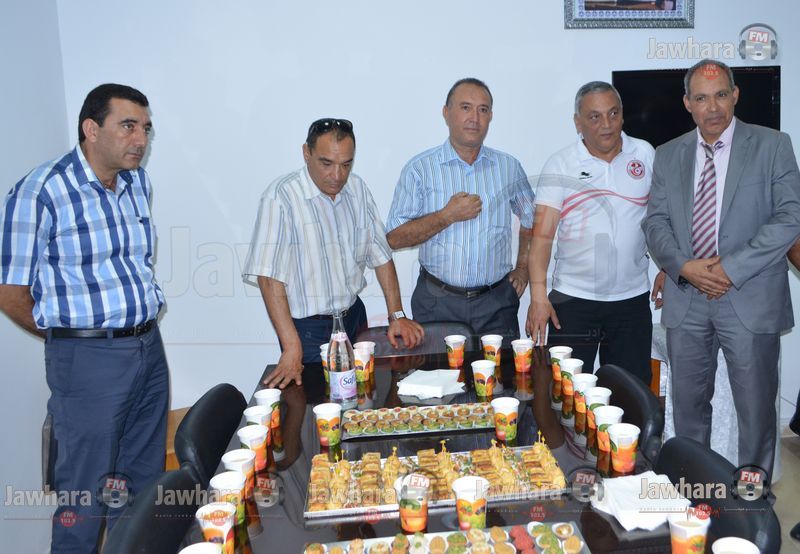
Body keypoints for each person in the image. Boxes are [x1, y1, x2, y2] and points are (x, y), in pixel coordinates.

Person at [0, 84, 169, 553]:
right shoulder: (42, 190)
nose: (140, 139)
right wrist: (68, 336)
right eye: (128, 126)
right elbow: (10, 292)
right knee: (85, 496)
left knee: (141, 486)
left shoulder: (137, 183)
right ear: (91, 129)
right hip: (88, 360)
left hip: (147, 348)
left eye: (146, 128)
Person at [643, 59, 800, 477]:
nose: (712, 107)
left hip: (749, 296)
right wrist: (684, 267)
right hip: (687, 299)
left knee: (756, 411)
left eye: (720, 95)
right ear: (687, 103)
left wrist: (729, 269)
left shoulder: (772, 145)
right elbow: (655, 223)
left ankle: (752, 502)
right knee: (688, 410)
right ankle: (697, 495)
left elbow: (790, 218)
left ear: (735, 95)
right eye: (701, 98)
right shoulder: (668, 154)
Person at [243, 118, 424, 389]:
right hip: (307, 331)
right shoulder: (281, 197)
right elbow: (268, 278)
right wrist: (291, 345)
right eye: (326, 163)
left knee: (364, 395)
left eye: (346, 164)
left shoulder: (358, 189)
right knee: (318, 405)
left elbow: (381, 254)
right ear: (307, 153)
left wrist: (396, 315)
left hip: (354, 318)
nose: (337, 176)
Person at [385, 78, 535, 340]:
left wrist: (523, 267)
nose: (474, 118)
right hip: (436, 302)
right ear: (446, 113)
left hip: (496, 304)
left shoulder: (508, 167)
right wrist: (447, 216)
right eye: (465, 107)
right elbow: (394, 238)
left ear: (490, 116)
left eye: (483, 109)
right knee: (439, 369)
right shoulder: (420, 169)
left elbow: (532, 218)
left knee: (501, 369)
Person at [525, 81, 655, 384]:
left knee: (630, 394)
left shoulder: (645, 154)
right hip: (573, 301)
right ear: (578, 122)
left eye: (613, 113)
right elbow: (541, 239)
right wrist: (538, 297)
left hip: (631, 301)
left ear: (622, 114)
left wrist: (668, 268)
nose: (606, 124)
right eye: (595, 117)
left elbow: (661, 219)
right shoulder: (561, 164)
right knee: (565, 394)